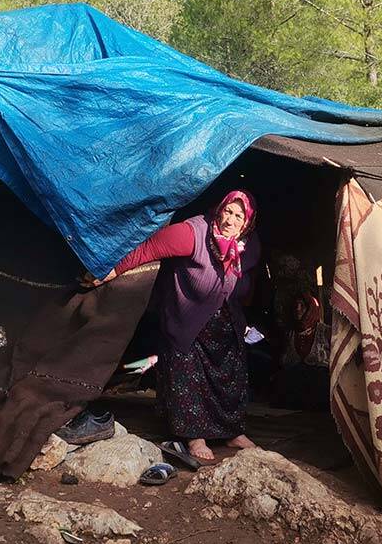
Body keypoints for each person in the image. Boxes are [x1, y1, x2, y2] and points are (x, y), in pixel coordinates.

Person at [85, 190, 261, 462]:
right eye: (228, 211)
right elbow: (148, 249)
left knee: (230, 378)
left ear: (247, 222)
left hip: (226, 325)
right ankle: (194, 435)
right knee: (188, 377)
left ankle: (233, 431)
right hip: (187, 322)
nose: (231, 220)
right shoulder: (192, 233)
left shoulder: (248, 245)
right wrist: (110, 271)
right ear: (219, 209)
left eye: (239, 216)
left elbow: (249, 276)